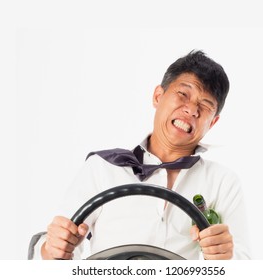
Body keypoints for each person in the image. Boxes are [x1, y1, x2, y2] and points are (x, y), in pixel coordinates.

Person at [30, 50, 251, 260]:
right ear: (158, 96)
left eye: (204, 105)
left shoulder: (223, 182)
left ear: (212, 122)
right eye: (183, 94)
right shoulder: (102, 167)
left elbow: (243, 264)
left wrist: (226, 256)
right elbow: (54, 252)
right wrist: (53, 247)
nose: (191, 110)